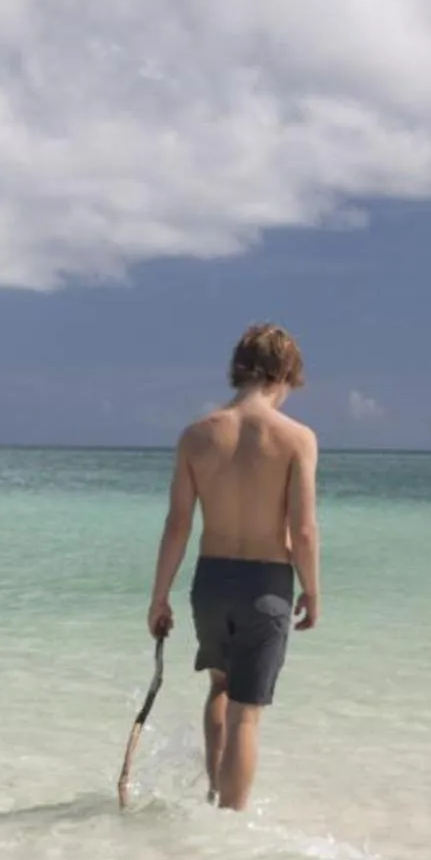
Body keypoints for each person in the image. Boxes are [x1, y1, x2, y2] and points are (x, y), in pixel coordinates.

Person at [145, 323, 321, 811]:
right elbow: (303, 530)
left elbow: (178, 524)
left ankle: (212, 791)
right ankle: (230, 824)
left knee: (220, 686)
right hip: (265, 582)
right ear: (284, 374)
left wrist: (159, 596)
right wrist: (312, 589)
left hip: (211, 583)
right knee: (248, 713)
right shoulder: (296, 439)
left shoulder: (195, 436)